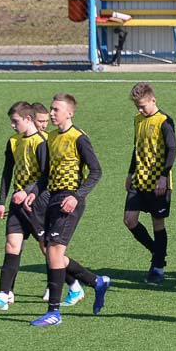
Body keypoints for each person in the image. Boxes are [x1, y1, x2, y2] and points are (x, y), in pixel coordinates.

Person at [25, 93, 109, 326]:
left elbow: (96, 172)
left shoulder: (79, 138)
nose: (51, 113)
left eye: (56, 110)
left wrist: (77, 196)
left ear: (69, 113)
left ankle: (54, 312)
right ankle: (97, 282)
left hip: (70, 200)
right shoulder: (50, 137)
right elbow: (45, 174)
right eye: (51, 109)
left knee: (53, 253)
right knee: (54, 254)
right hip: (52, 198)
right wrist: (34, 192)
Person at [0, 102, 49, 312]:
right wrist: (2, 201)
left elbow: (47, 176)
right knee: (12, 245)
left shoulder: (42, 142)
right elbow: (7, 171)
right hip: (17, 202)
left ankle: (74, 283)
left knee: (48, 249)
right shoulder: (13, 142)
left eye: (15, 121)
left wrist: (27, 191)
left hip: (37, 203)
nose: (12, 125)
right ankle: (4, 295)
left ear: (28, 119)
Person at [123, 83, 176, 284]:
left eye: (142, 105)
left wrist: (164, 176)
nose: (140, 109)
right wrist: (130, 173)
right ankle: (157, 251)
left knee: (157, 223)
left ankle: (158, 267)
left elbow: (172, 150)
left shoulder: (164, 121)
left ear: (153, 100)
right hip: (139, 181)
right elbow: (136, 148)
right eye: (137, 106)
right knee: (129, 220)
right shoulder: (137, 120)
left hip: (158, 183)